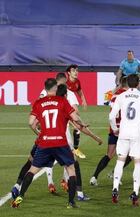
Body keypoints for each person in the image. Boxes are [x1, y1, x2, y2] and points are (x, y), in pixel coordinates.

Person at [11, 78, 85, 208]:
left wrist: (40, 133)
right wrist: (81, 122)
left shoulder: (39, 102)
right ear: (56, 88)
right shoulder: (62, 101)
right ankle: (71, 202)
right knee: (71, 169)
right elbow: (75, 117)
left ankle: (20, 197)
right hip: (60, 142)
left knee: (33, 169)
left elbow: (31, 123)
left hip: (44, 142)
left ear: (45, 89)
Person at [109, 74, 140, 206]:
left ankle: (115, 188)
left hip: (123, 133)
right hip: (137, 134)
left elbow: (111, 116)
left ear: (128, 84)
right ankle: (135, 192)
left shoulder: (121, 96)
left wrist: (115, 129)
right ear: (139, 83)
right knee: (138, 163)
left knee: (120, 160)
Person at [90, 77, 132, 186]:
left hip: (113, 129)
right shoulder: (127, 96)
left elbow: (106, 102)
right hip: (124, 130)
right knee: (130, 155)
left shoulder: (113, 95)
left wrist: (114, 128)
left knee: (109, 154)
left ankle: (94, 177)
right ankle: (114, 174)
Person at [66, 64, 87, 159]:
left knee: (77, 128)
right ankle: (72, 149)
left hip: (69, 106)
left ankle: (75, 149)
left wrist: (84, 100)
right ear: (69, 73)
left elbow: (80, 92)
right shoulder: (64, 82)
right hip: (64, 106)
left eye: (77, 70)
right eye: (73, 70)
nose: (76, 72)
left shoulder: (77, 82)